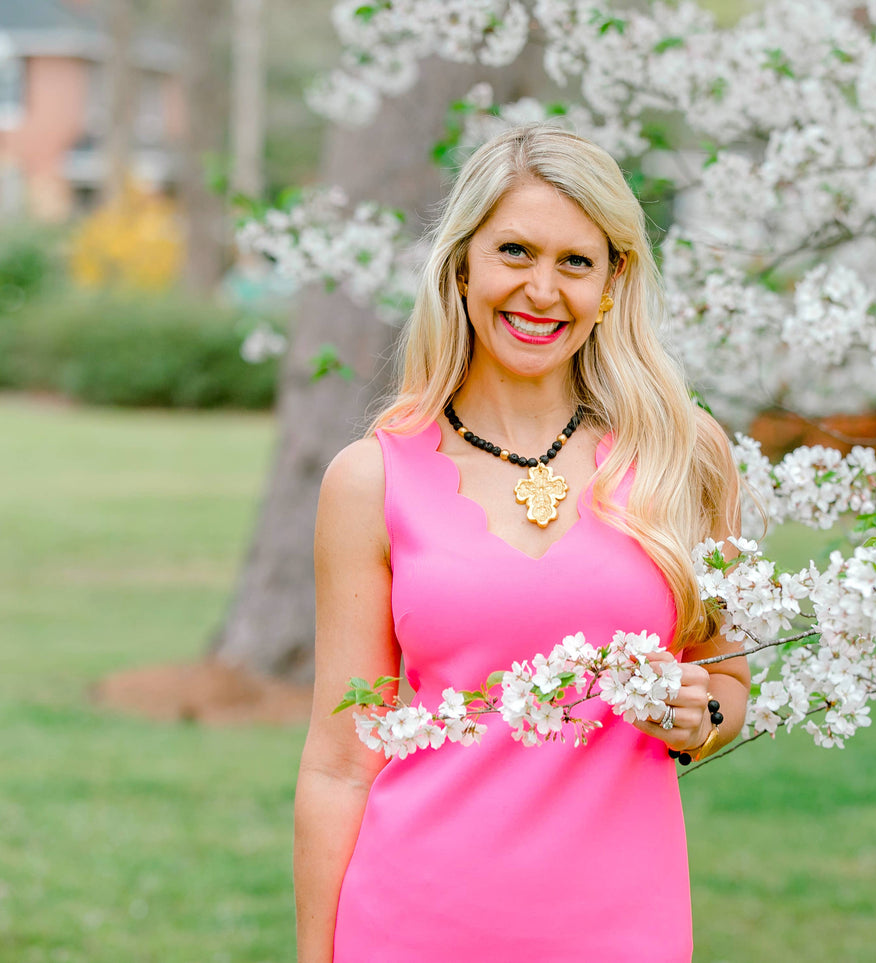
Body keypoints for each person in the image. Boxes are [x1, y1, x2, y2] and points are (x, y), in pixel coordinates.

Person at [294, 124, 749, 962]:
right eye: (514, 251)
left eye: (575, 261)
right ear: (462, 265)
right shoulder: (370, 481)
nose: (540, 290)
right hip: (410, 920)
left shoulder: (687, 457)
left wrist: (704, 714)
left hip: (620, 925)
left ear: (613, 281)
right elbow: (338, 762)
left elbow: (725, 678)